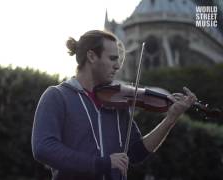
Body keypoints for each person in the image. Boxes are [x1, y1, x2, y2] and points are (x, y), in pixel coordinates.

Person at [31, 30, 197, 180]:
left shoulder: (117, 102)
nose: (118, 66)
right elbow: (44, 148)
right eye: (112, 58)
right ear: (91, 57)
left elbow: (136, 152)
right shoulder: (57, 96)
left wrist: (170, 119)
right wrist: (102, 163)